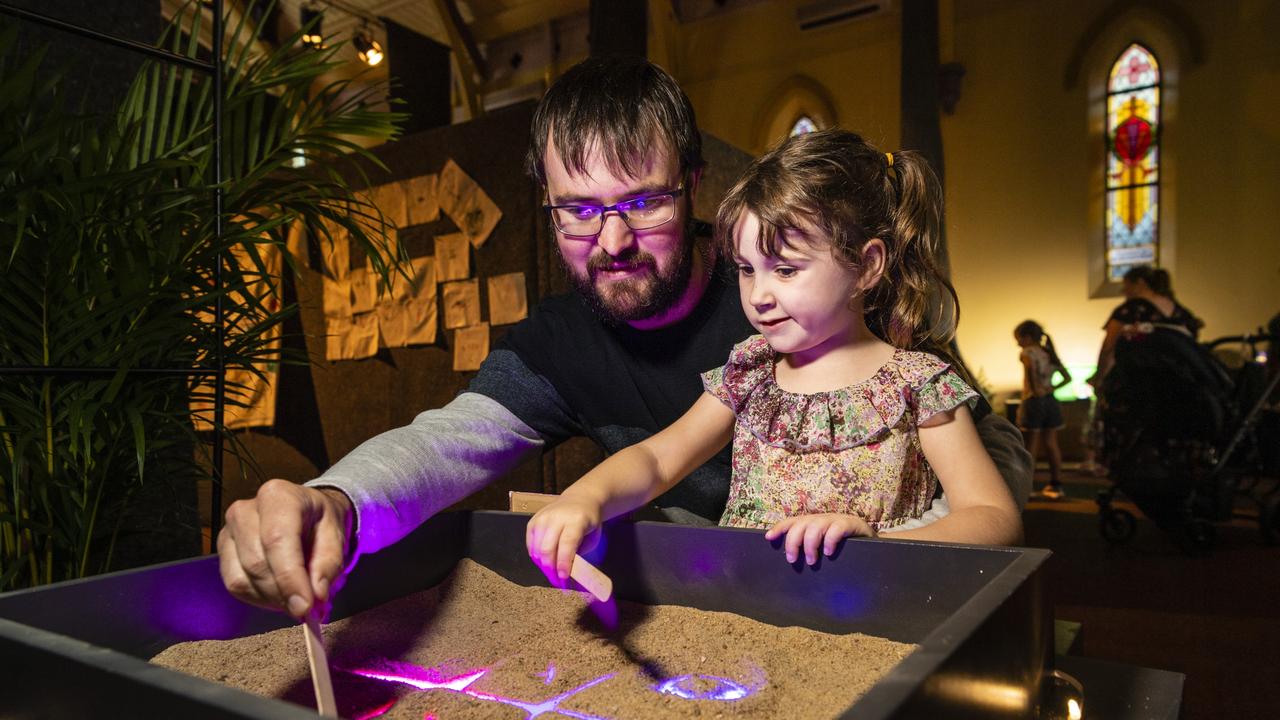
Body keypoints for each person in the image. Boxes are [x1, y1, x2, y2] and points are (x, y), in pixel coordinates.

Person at [217, 57, 1032, 622]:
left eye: (642, 202)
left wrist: (891, 547)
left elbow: (994, 475)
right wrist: (336, 502)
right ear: (547, 203)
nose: (611, 242)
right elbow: (446, 443)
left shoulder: (828, 300)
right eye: (577, 209)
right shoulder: (569, 343)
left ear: (692, 184)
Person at [526, 129, 1021, 581]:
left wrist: (881, 544)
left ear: (866, 266)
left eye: (785, 270)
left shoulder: (918, 384)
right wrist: (585, 498)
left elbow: (994, 517)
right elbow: (656, 459)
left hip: (875, 605)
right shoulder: (750, 373)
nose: (758, 294)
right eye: (746, 269)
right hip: (750, 602)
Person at [1092, 265, 1201, 385]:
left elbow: (1108, 347)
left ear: (1140, 283)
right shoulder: (1181, 313)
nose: (1123, 291)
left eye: (1126, 285)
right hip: (1180, 381)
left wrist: (1100, 378)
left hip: (1140, 382)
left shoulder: (1129, 311)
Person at [1013, 320, 1072, 499]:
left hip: (1033, 401)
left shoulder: (1027, 352)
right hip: (1051, 401)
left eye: (1019, 338)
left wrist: (1034, 388)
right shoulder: (1048, 353)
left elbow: (1030, 371)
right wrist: (1050, 389)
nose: (1017, 343)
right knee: (1051, 444)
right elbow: (1067, 378)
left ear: (1028, 337)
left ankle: (1027, 487)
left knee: (1030, 446)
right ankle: (1056, 484)